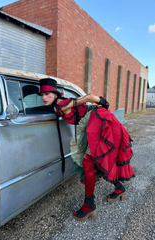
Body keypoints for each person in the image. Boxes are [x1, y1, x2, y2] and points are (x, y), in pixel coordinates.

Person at [39, 78, 135, 222]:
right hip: (94, 125)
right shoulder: (59, 104)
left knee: (89, 163)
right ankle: (119, 187)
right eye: (42, 95)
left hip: (100, 123)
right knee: (98, 161)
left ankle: (89, 205)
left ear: (55, 94)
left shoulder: (63, 104)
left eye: (48, 94)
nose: (44, 97)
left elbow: (89, 97)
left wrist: (103, 102)